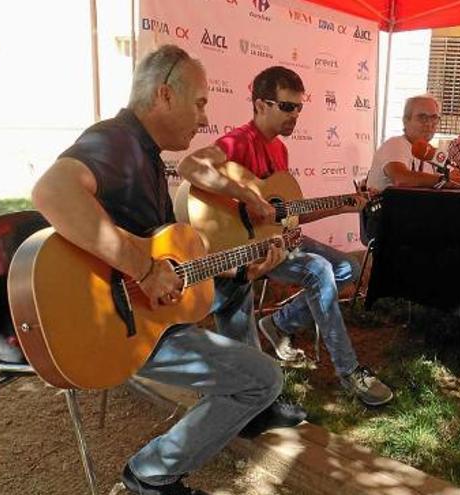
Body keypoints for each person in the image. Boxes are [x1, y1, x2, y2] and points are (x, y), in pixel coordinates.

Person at [31, 45, 288, 495]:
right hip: (110, 330)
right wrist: (145, 270)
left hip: (143, 323)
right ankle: (150, 475)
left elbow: (176, 266)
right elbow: (52, 191)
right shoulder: (116, 140)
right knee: (263, 380)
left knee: (258, 370)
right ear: (165, 95)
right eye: (201, 102)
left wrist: (243, 267)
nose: (206, 117)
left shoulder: (147, 154)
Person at [178, 66, 394, 407]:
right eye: (287, 107)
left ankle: (279, 324)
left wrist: (345, 206)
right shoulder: (238, 140)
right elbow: (190, 167)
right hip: (243, 252)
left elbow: (286, 216)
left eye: (299, 108)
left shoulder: (280, 150)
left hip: (276, 243)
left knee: (347, 270)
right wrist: (249, 197)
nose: (295, 115)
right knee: (320, 271)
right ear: (261, 105)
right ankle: (349, 371)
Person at [367, 94, 460, 192]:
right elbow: (401, 178)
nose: (429, 124)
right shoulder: (395, 144)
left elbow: (455, 175)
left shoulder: (430, 151)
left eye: (434, 118)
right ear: (405, 121)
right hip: (391, 217)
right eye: (422, 117)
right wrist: (444, 181)